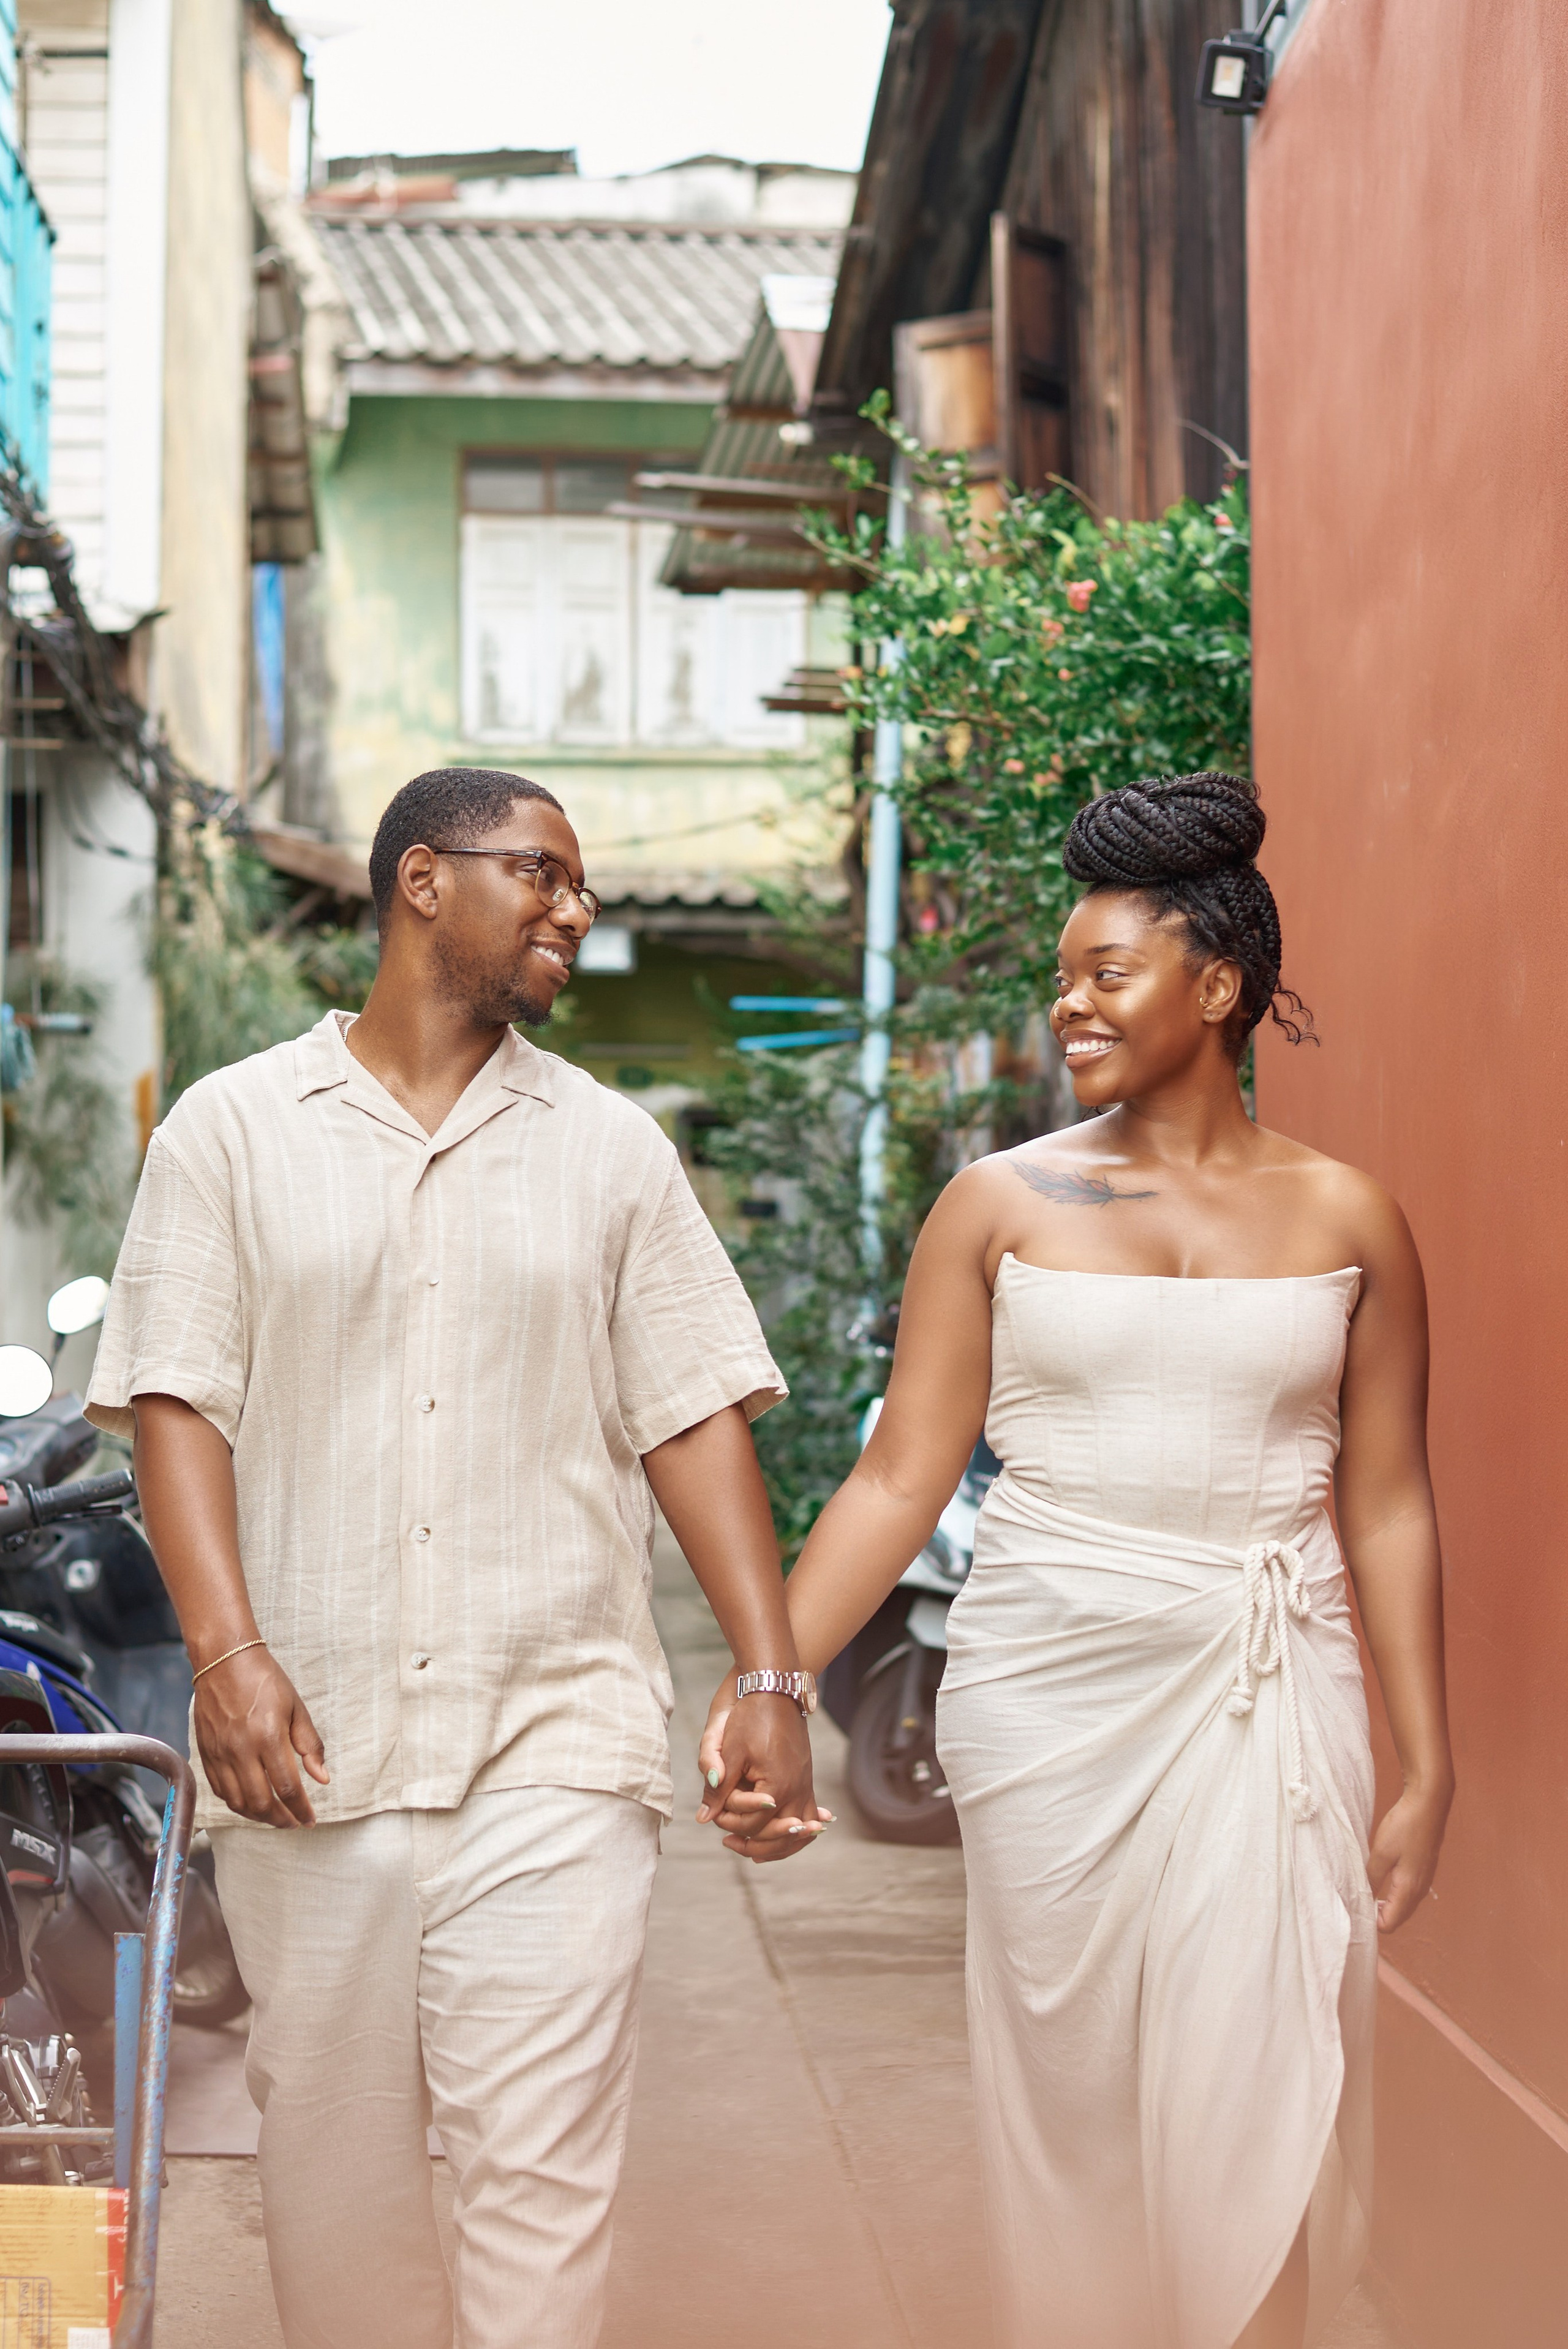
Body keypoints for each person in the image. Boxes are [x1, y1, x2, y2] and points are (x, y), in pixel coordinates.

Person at [700, 773, 1454, 2349]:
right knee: (1078, 2104)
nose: (1069, 1005)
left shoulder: (1352, 1217)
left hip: (1267, 1694)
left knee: (1262, 2089)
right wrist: (766, 1681)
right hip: (1047, 1697)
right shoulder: (995, 1205)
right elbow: (903, 1473)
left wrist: (1425, 1756)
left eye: (1104, 974)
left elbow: (1385, 1503)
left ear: (1218, 985)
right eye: (1063, 978)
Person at [86, 766, 828, 2349]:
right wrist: (228, 1654)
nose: (575, 907)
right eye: (544, 873)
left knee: (538, 2179)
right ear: (424, 879)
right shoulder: (231, 1132)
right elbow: (177, 1404)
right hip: (315, 1746)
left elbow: (692, 1417)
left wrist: (771, 1670)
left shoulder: (613, 1155)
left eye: (581, 885)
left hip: (554, 1732)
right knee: (333, 2175)